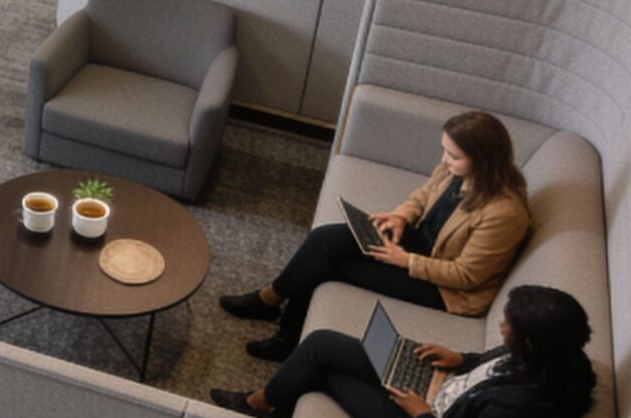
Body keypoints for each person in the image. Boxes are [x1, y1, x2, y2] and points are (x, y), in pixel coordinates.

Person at [208, 285, 596, 418]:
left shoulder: (521, 405)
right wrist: (461, 359)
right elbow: (493, 362)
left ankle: (260, 412)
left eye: (508, 324)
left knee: (324, 376)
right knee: (322, 344)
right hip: (439, 390)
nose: (501, 327)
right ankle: (263, 405)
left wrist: (422, 415)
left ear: (530, 341)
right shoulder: (557, 355)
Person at [220, 110, 532, 360]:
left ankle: (285, 336)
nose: (444, 160)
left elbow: (466, 276)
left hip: (444, 288)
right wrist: (401, 216)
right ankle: (270, 298)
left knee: (328, 266)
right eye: (445, 151)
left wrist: (405, 260)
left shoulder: (504, 213)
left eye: (453, 155)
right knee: (324, 239)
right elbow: (422, 197)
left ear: (484, 159)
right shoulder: (455, 170)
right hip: (422, 243)